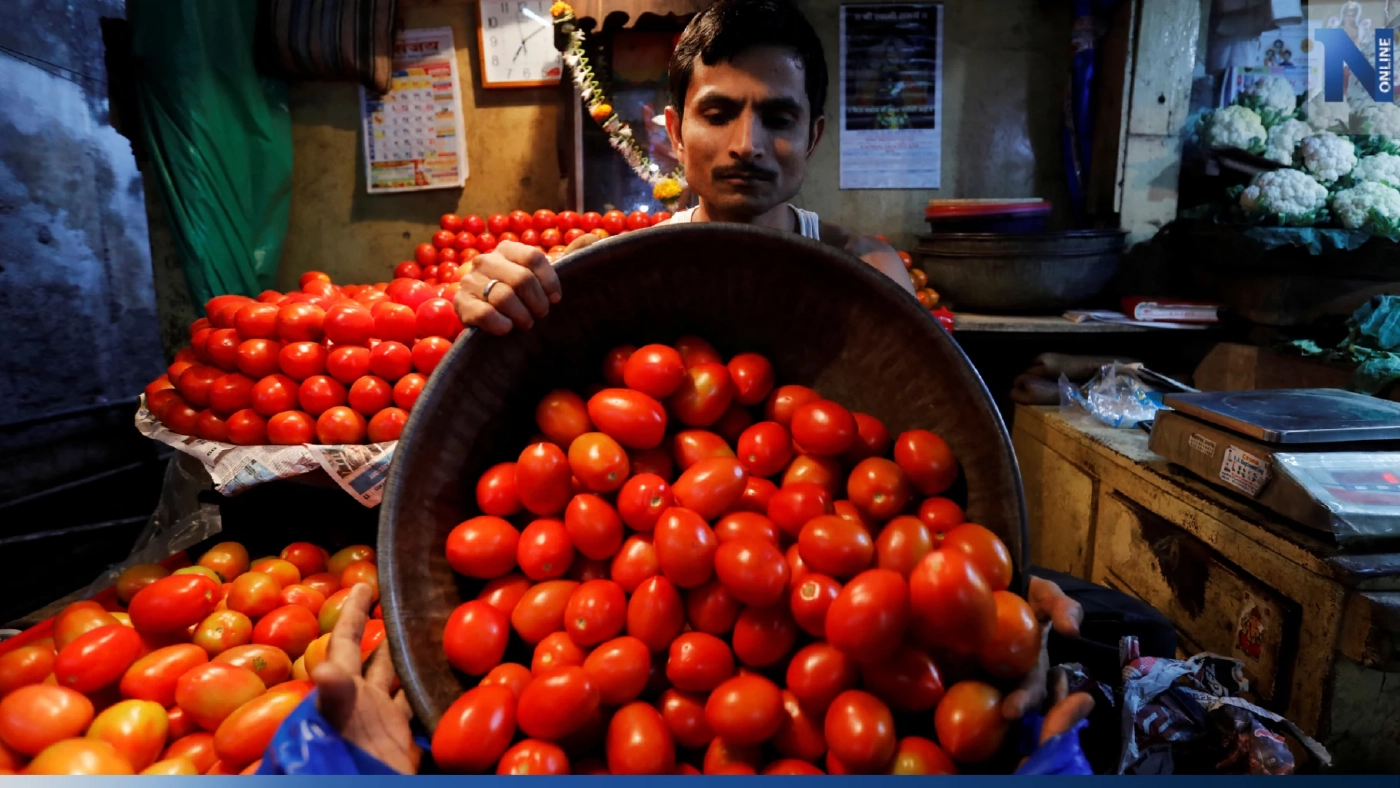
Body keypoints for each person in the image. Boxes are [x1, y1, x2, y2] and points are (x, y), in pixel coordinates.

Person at [445, 0, 1174, 762]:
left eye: (778, 117)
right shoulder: (611, 276)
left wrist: (990, 606)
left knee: (1130, 626)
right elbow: (519, 370)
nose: (747, 144)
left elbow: (932, 470)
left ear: (815, 136)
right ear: (672, 130)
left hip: (822, 587)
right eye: (719, 112)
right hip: (697, 596)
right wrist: (492, 293)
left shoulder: (868, 270)